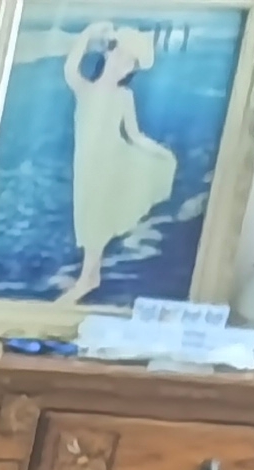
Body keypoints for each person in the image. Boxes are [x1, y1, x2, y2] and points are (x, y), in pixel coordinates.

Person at [58, 24, 182, 302]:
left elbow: (135, 136)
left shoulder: (124, 97)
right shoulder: (85, 89)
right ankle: (90, 275)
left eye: (130, 63)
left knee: (96, 220)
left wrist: (162, 153)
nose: (123, 65)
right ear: (108, 53)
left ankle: (88, 278)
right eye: (121, 56)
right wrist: (88, 34)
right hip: (86, 166)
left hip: (110, 164)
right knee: (87, 217)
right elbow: (70, 68)